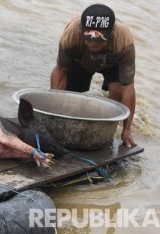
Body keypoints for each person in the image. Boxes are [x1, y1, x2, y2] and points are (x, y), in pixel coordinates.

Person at [50, 4, 137, 148]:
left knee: (117, 92)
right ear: (82, 31)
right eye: (89, 39)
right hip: (80, 60)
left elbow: (128, 88)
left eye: (99, 40)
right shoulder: (71, 35)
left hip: (112, 63)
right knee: (70, 97)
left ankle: (106, 127)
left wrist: (127, 130)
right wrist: (53, 112)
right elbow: (61, 71)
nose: (93, 43)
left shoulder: (123, 41)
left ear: (111, 33)